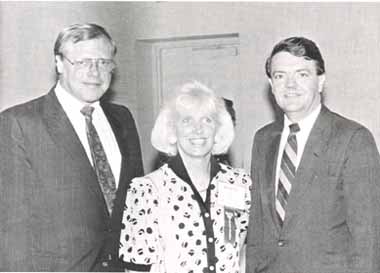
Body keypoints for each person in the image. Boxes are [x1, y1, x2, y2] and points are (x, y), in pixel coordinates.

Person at [0, 23, 143, 271]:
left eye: (103, 62)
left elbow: (138, 202)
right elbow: (12, 226)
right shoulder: (20, 123)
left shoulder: (123, 118)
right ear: (59, 63)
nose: (94, 72)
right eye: (83, 62)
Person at [246, 36, 380, 273]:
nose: (290, 85)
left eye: (302, 74)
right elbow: (257, 231)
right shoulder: (262, 139)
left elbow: (368, 238)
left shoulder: (353, 139)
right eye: (280, 76)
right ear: (271, 84)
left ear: (320, 81)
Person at [119, 81, 252, 273]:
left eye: (207, 120)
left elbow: (242, 252)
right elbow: (136, 269)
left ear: (218, 131)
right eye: (186, 120)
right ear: (172, 131)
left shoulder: (240, 183)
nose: (198, 129)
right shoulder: (146, 190)